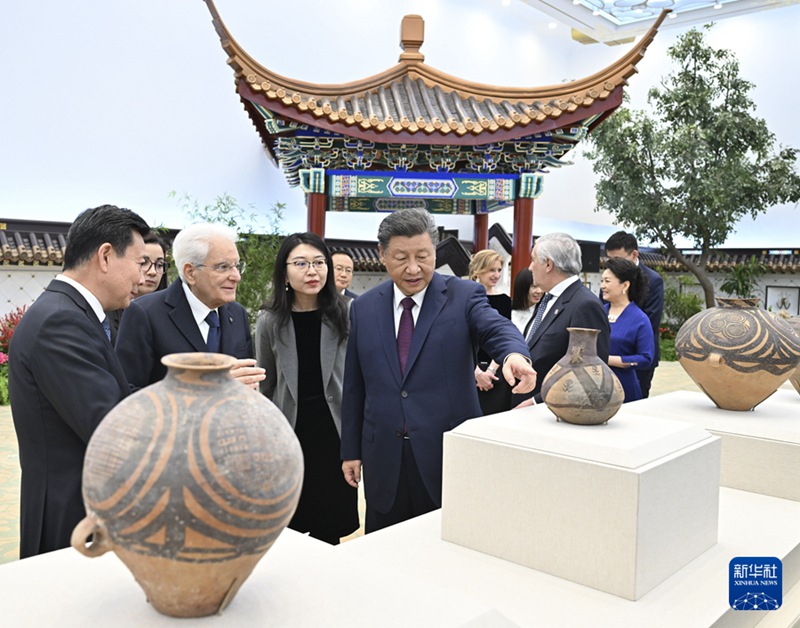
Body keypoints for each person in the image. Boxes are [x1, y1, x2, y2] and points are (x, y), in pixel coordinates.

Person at [340, 208, 536, 533]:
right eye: (401, 257)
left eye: (423, 256)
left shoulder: (462, 296)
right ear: (382, 255)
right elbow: (356, 386)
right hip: (384, 458)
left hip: (444, 454)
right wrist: (351, 450)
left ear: (434, 250)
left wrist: (514, 354)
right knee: (384, 553)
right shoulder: (363, 308)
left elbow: (495, 327)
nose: (414, 268)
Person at [8, 204, 150, 557]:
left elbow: (113, 392)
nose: (144, 276)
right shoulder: (61, 322)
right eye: (139, 262)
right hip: (70, 517)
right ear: (105, 256)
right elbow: (109, 425)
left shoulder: (69, 313)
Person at [255, 233, 358, 545]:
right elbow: (267, 383)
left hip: (334, 435)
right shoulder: (269, 319)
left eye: (318, 263)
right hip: (291, 434)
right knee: (290, 528)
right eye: (301, 263)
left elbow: (357, 379)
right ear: (284, 271)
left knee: (330, 530)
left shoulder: (347, 312)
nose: (312, 271)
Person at [115, 223, 264, 389]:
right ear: (190, 272)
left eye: (237, 266)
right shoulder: (145, 314)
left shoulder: (236, 314)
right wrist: (212, 388)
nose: (236, 277)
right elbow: (128, 392)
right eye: (223, 267)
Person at [516, 233, 610, 407]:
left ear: (548, 264)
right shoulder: (549, 299)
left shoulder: (584, 305)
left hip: (551, 409)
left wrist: (536, 401)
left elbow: (589, 370)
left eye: (533, 260)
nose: (529, 268)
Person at [603, 231, 664, 398]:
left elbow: (650, 321)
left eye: (619, 259)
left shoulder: (653, 280)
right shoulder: (607, 287)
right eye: (610, 259)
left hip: (636, 355)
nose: (613, 264)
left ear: (634, 254)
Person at [601, 257, 654, 402]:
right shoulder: (599, 313)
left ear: (624, 285)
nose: (602, 286)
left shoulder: (640, 319)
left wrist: (611, 360)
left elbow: (646, 358)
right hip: (594, 383)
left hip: (623, 386)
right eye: (602, 281)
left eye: (607, 281)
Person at [469, 249, 513, 416]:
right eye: (491, 270)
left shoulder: (505, 300)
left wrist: (490, 371)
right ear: (478, 271)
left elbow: (504, 338)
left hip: (496, 370)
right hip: (466, 369)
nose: (496, 274)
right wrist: (476, 372)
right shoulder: (464, 298)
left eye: (499, 270)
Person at [107, 231, 170, 343]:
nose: (153, 272)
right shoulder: (107, 310)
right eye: (143, 262)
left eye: (159, 265)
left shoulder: (170, 313)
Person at [510, 268, 543, 333]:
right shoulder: (506, 311)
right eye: (534, 286)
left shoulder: (542, 312)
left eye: (541, 286)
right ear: (522, 287)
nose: (539, 291)